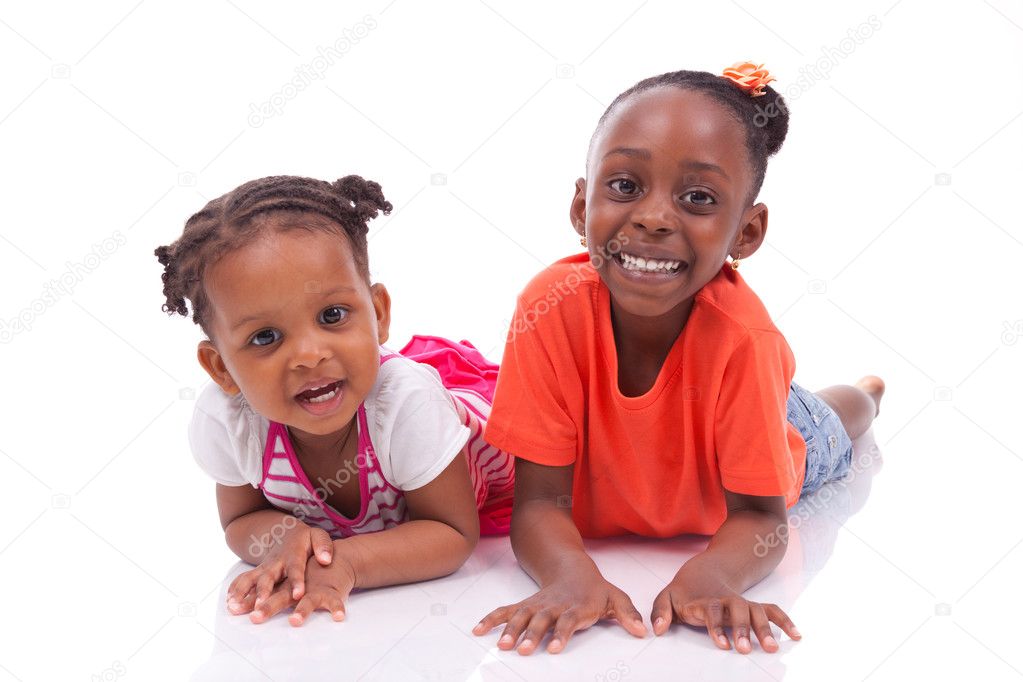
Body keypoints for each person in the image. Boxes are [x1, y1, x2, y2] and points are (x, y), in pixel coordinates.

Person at [473, 62, 885, 655]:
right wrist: (570, 574)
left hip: (773, 428)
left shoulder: (746, 340)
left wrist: (712, 576)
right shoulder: (548, 308)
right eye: (624, 186)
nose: (653, 217)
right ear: (580, 208)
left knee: (830, 420)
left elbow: (762, 519)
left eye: (697, 197)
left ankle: (867, 392)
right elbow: (538, 501)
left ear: (746, 233)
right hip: (696, 439)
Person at [155, 174, 513, 626]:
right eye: (265, 337)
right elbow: (239, 521)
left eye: (332, 315)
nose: (309, 355)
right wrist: (283, 537)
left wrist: (346, 563)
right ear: (222, 368)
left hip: (488, 455)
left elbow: (453, 534)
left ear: (378, 314)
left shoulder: (407, 408)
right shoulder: (229, 421)